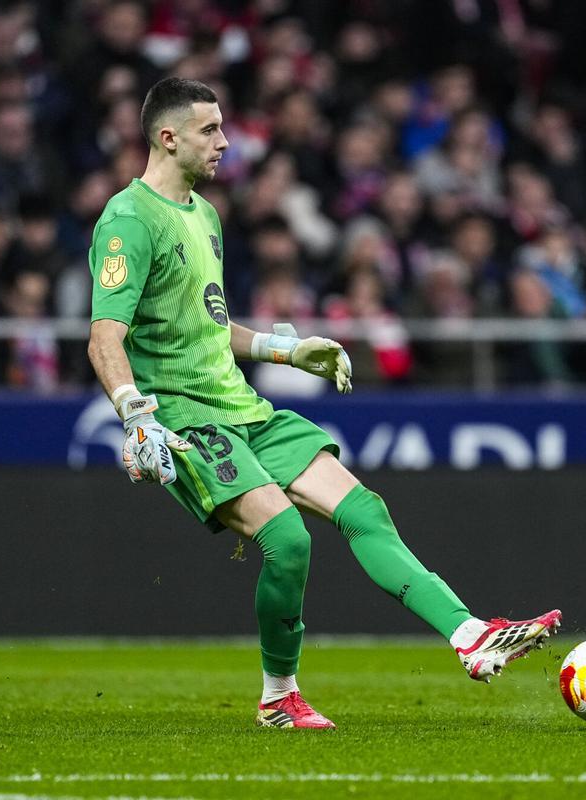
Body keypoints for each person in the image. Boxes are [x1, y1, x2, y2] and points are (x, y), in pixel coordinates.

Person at [85, 78, 561, 730]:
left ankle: (469, 634)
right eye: (210, 130)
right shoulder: (129, 220)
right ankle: (279, 696)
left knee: (364, 509)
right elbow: (104, 336)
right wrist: (136, 417)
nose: (225, 141)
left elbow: (208, 326)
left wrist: (286, 349)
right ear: (168, 138)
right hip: (186, 419)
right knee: (288, 540)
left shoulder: (204, 215)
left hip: (245, 409)